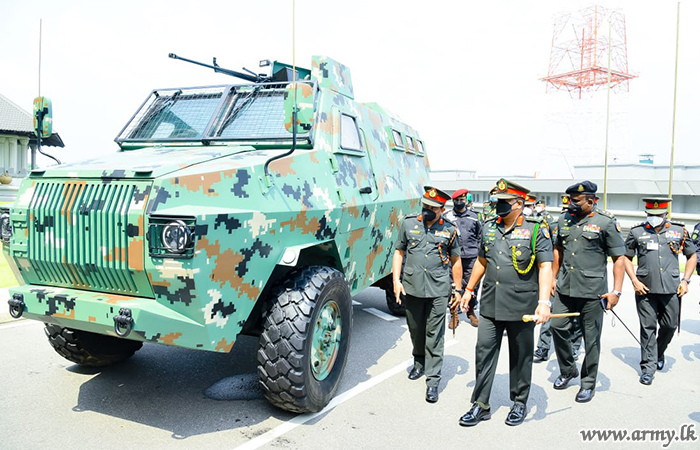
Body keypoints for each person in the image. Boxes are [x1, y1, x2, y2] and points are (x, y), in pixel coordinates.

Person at [458, 178, 553, 427]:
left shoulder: (536, 229)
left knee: (521, 356)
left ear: (519, 203)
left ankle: (519, 402)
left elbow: (545, 266)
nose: (499, 206)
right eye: (497, 202)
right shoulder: (490, 227)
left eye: (504, 202)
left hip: (522, 306)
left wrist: (544, 302)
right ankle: (480, 405)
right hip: (490, 303)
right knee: (484, 353)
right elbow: (481, 261)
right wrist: (469, 290)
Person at [550, 181, 626, 404]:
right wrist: (554, 277)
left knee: (591, 339)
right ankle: (568, 370)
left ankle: (588, 383)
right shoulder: (564, 220)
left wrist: (616, 292)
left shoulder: (606, 222)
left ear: (591, 201)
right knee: (556, 327)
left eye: (576, 200)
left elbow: (619, 258)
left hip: (593, 292)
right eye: (569, 199)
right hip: (565, 287)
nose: (571, 204)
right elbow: (558, 250)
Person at [392, 186, 462, 403]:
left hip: (438, 290)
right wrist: (396, 281)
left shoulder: (450, 230)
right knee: (415, 330)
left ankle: (433, 380)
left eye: (432, 207)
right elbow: (399, 252)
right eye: (425, 206)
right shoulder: (409, 223)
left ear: (442, 209)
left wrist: (457, 289)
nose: (427, 210)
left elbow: (456, 261)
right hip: (412, 286)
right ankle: (419, 362)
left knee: (435, 334)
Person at [622, 198, 697, 385]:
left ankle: (658, 352)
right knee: (647, 328)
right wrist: (634, 281)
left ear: (666, 214)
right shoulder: (637, 232)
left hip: (672, 289)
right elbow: (625, 257)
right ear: (646, 214)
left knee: (670, 326)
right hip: (644, 289)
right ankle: (648, 367)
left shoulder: (679, 230)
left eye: (658, 215)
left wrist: (686, 280)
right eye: (651, 215)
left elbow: (692, 255)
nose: (654, 218)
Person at [533, 197, 584, 363]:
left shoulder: (585, 227)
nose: (566, 212)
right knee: (550, 311)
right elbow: (554, 252)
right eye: (564, 209)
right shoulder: (556, 225)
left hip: (579, 277)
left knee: (577, 317)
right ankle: (543, 347)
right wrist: (553, 277)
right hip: (559, 275)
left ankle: (574, 347)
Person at [444, 188, 482, 327]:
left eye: (462, 200)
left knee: (472, 287)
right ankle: (454, 314)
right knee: (452, 287)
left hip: (471, 257)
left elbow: (480, 236)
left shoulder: (474, 216)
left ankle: (470, 311)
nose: (459, 202)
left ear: (466, 201)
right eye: (457, 200)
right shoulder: (448, 216)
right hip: (453, 258)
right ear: (453, 201)